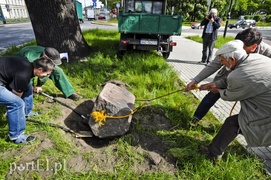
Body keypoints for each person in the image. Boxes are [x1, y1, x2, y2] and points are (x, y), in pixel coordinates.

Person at [196, 40, 271, 161]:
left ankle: (212, 155)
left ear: (231, 59)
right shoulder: (256, 58)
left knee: (232, 123)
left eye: (222, 60)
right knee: (234, 123)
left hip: (267, 113)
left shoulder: (239, 75)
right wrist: (215, 83)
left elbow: (229, 95)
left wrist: (218, 90)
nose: (221, 63)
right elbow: (230, 80)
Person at [186, 28, 271, 125]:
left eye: (242, 49)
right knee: (211, 95)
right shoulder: (233, 48)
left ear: (253, 47)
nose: (238, 52)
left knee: (249, 105)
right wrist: (196, 81)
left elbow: (231, 95)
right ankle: (195, 119)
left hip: (253, 85)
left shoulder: (267, 53)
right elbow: (214, 64)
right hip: (227, 76)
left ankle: (244, 126)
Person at [0, 56, 55, 144]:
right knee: (17, 104)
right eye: (47, 74)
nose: (47, 76)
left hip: (3, 78)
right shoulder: (23, 75)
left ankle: (26, 112)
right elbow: (16, 95)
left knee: (28, 86)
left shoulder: (27, 65)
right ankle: (16, 136)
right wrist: (13, 111)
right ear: (39, 69)